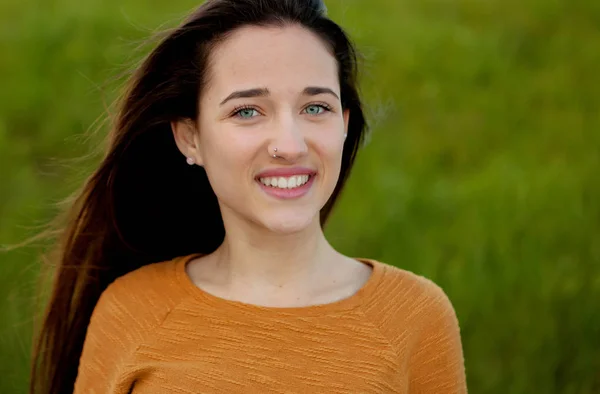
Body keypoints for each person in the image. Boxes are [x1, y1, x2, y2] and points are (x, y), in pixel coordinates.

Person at [29, 0, 467, 393]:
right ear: (190, 138)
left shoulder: (416, 315)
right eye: (247, 111)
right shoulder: (132, 309)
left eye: (316, 107)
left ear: (345, 123)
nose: (290, 144)